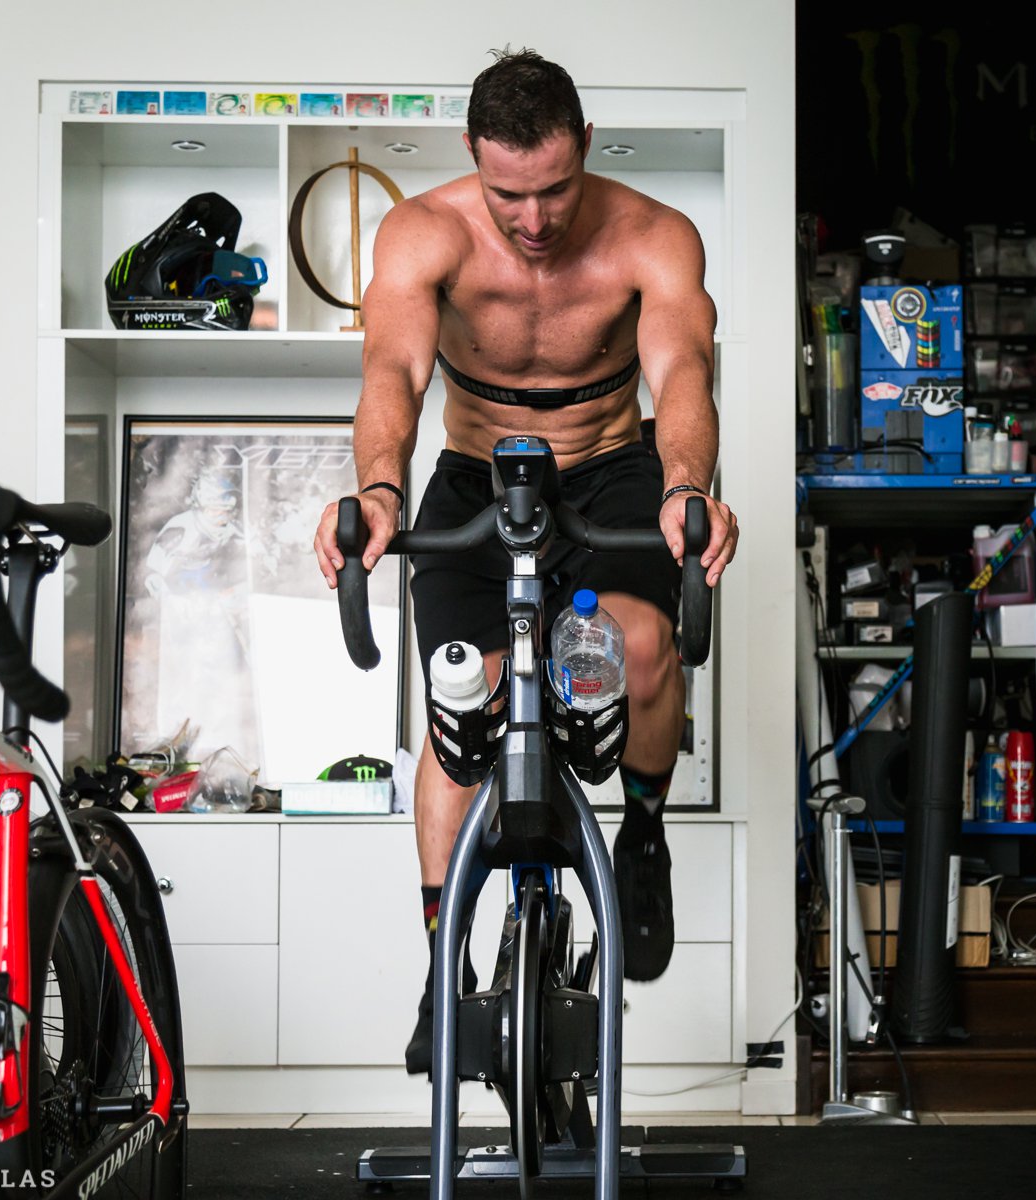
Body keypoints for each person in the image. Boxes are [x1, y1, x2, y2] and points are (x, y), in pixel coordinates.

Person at [312, 48, 738, 1077]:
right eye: (511, 193)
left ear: (586, 145)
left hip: (609, 474)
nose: (536, 220)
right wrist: (375, 491)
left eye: (555, 188)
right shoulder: (426, 232)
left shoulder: (652, 237)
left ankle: (641, 834)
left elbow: (681, 366)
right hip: (473, 478)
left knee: (637, 647)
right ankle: (441, 962)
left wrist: (685, 485)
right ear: (473, 156)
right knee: (464, 705)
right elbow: (394, 369)